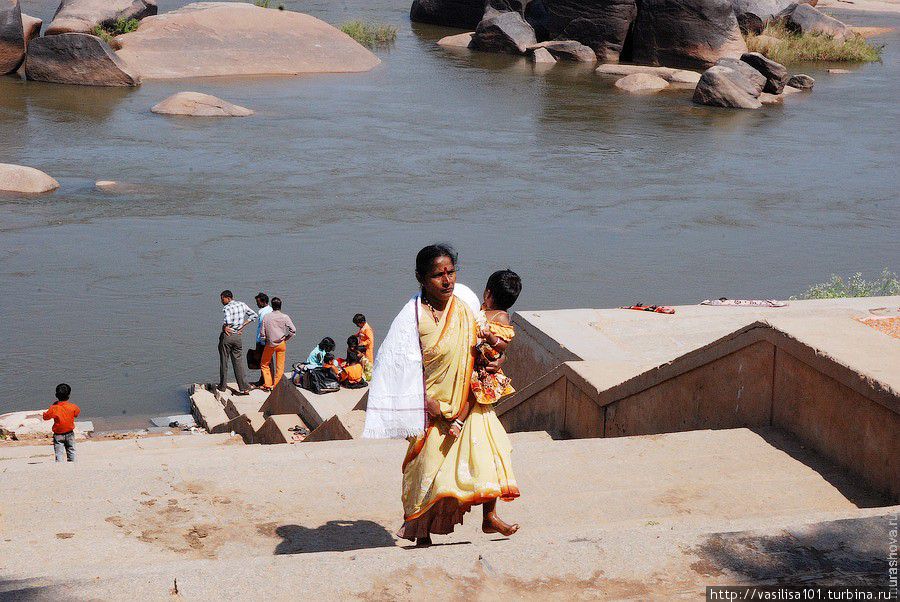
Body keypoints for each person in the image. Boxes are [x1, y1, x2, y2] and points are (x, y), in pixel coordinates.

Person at [363, 244, 520, 546]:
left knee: (485, 456)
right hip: (429, 404)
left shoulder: (465, 304)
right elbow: (397, 365)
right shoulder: (410, 318)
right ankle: (421, 532)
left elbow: (483, 344)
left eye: (451, 272)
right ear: (421, 278)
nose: (447, 280)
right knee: (426, 468)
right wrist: (423, 400)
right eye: (438, 275)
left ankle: (487, 517)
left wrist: (495, 360)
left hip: (464, 400)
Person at [450, 270, 522, 438]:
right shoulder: (480, 308)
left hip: (483, 364)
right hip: (473, 359)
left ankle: (459, 422)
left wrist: (489, 336)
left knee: (472, 393)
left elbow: (503, 345)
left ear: (488, 292)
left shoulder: (501, 317)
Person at [219, 290, 257, 395]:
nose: (221, 301)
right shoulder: (242, 304)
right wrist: (242, 326)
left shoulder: (226, 308)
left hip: (227, 336)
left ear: (228, 298)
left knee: (224, 361)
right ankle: (244, 387)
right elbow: (253, 315)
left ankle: (222, 386)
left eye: (222, 298)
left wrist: (224, 327)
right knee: (238, 362)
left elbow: (228, 321)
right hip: (237, 337)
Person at [258, 297, 297, 392]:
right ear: (280, 306)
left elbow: (262, 333)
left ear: (272, 305)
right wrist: (287, 338)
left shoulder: (267, 316)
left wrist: (264, 339)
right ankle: (276, 386)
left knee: (264, 364)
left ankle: (267, 384)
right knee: (280, 366)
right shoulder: (285, 317)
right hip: (281, 344)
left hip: (270, 344)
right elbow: (293, 330)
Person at [42, 383, 80, 463]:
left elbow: (46, 417)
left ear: (56, 395)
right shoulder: (73, 406)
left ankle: (60, 466)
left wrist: (46, 412)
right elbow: (76, 413)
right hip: (70, 433)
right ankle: (73, 464)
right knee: (71, 450)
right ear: (69, 395)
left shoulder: (54, 408)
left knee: (59, 452)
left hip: (58, 434)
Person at [252, 293, 273, 387]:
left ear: (263, 301)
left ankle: (267, 380)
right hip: (265, 339)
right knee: (266, 361)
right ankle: (264, 379)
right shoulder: (269, 310)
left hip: (263, 340)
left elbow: (264, 327)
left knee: (265, 362)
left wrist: (261, 340)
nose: (257, 304)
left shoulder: (265, 312)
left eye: (258, 302)